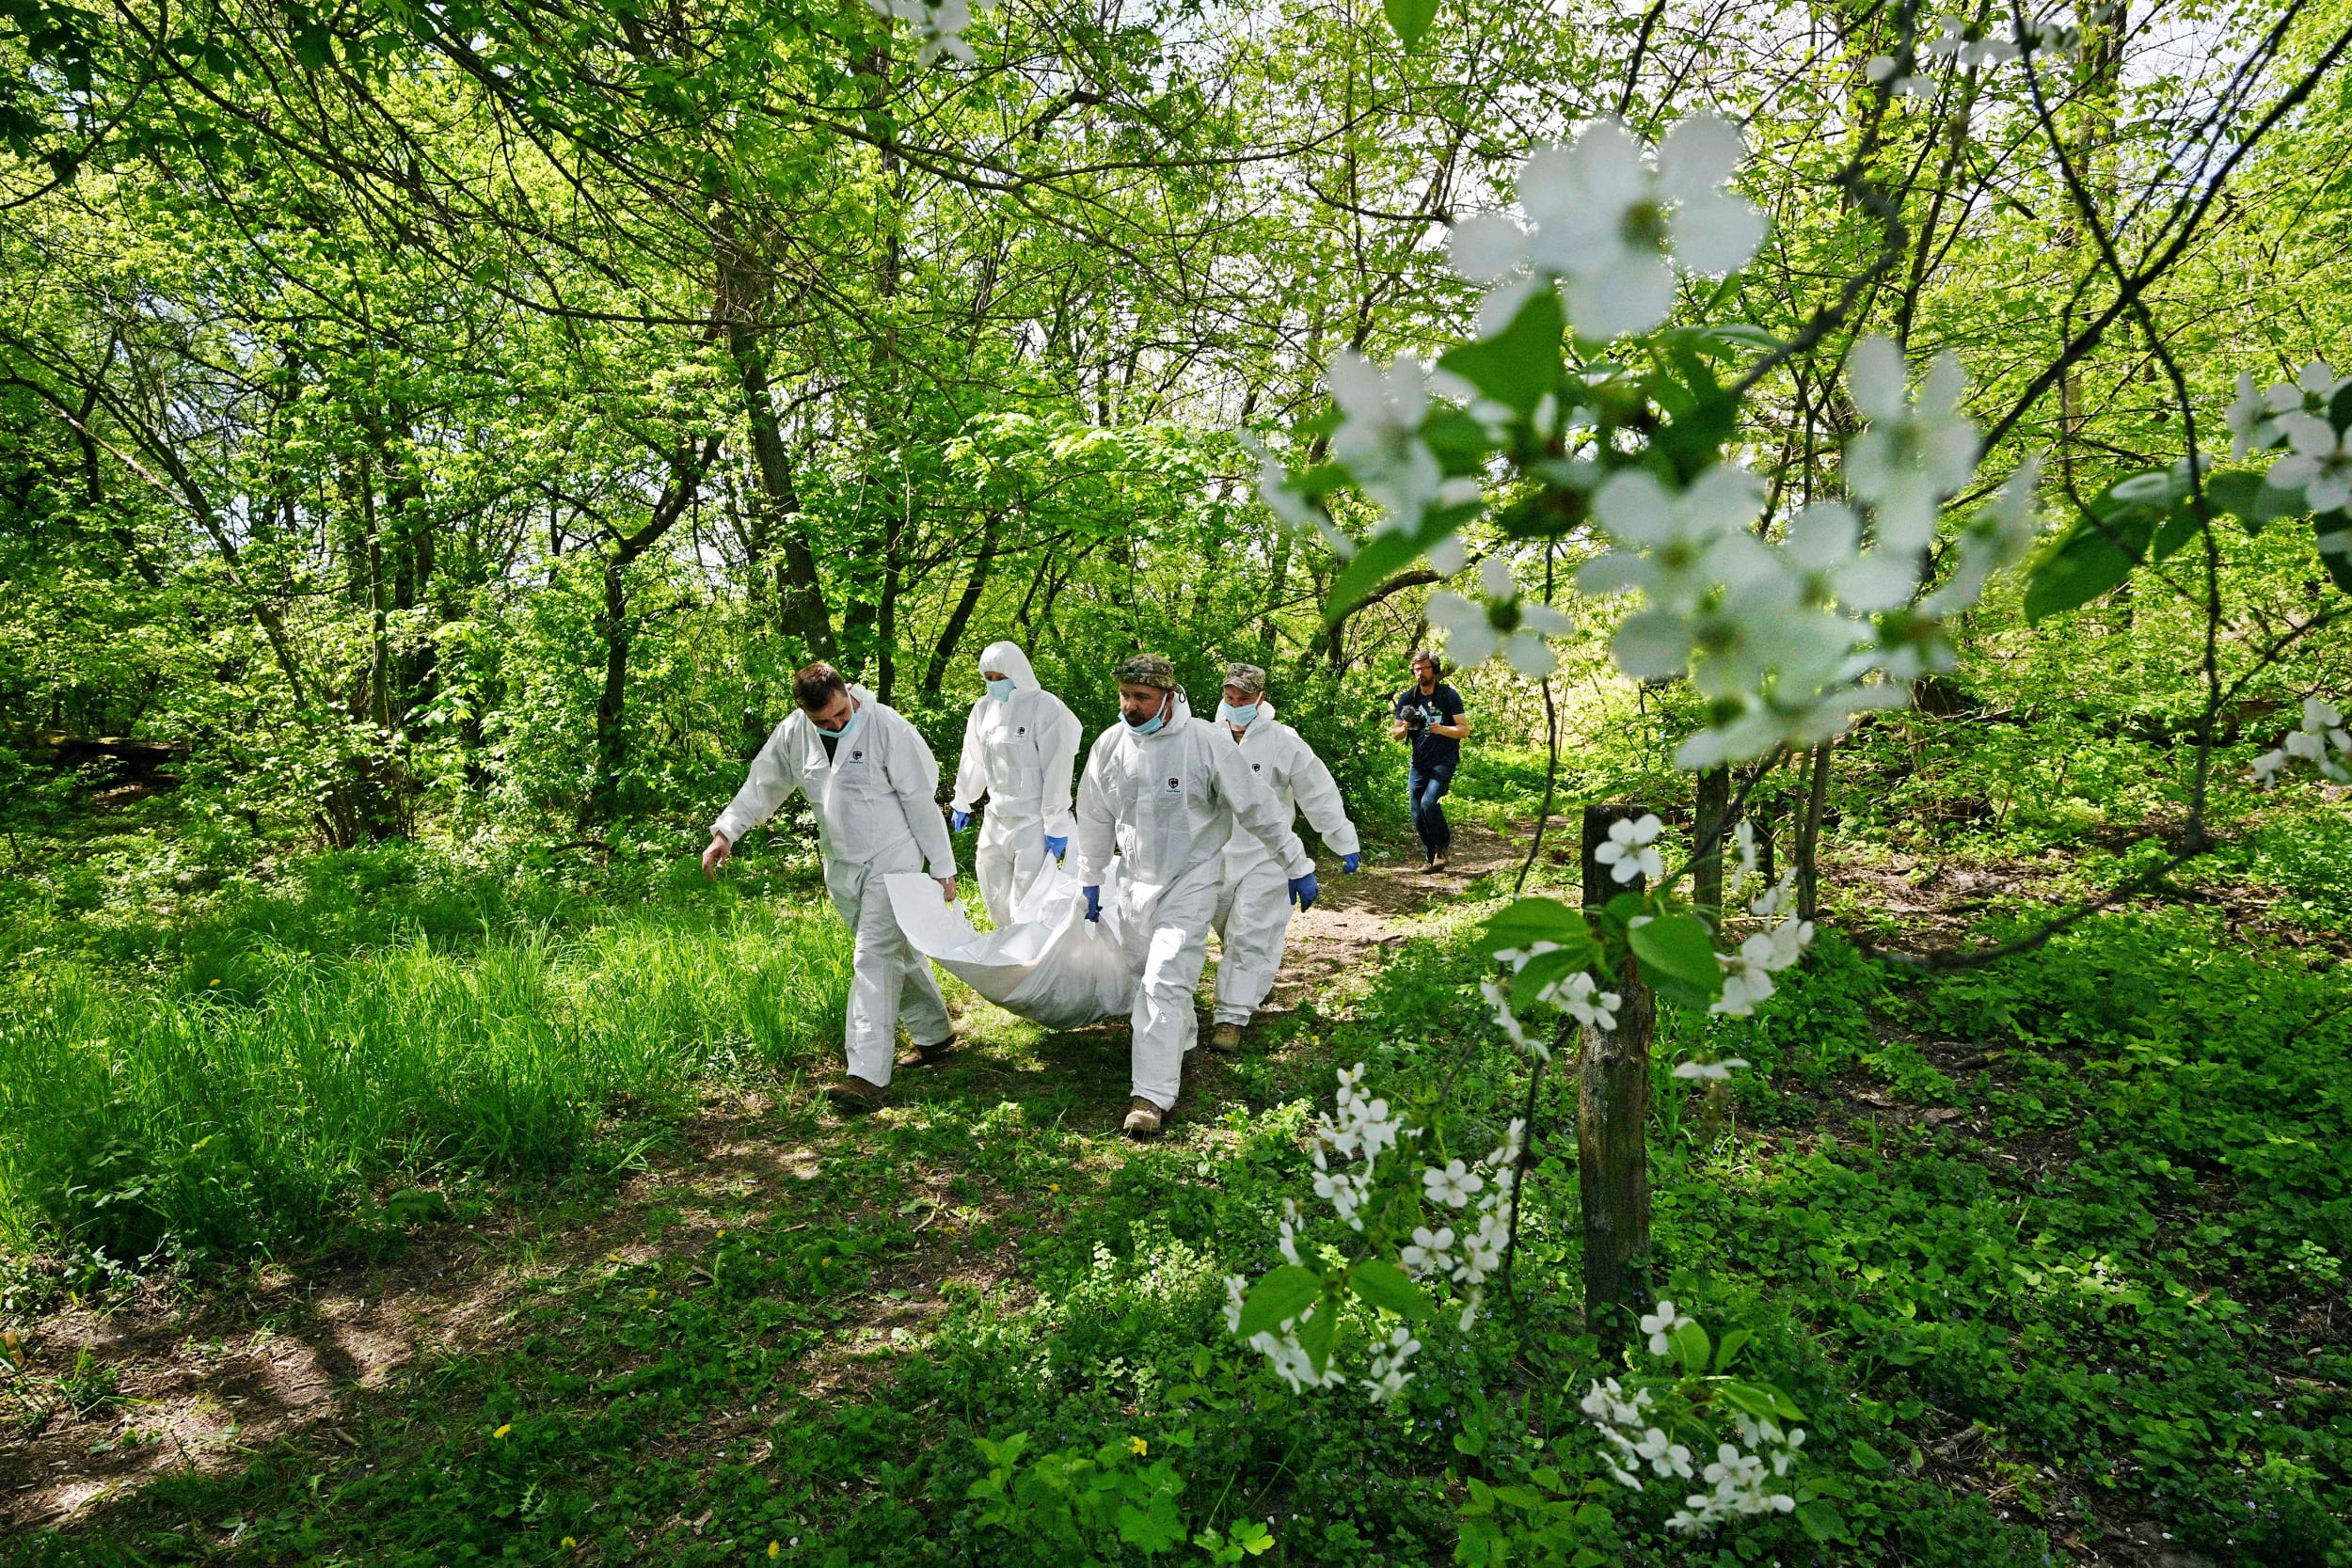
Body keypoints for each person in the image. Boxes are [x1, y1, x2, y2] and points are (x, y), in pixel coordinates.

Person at [1073, 653, 1317, 1139]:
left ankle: (1151, 1096)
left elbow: (1257, 807)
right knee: (1146, 975)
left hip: (1192, 880)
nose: (1131, 706)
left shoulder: (1205, 743)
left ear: (1169, 696)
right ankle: (1180, 1041)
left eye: (1142, 697)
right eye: (1125, 695)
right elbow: (1095, 817)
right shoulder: (1110, 746)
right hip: (1134, 882)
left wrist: (1296, 863)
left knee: (1166, 978)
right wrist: (1090, 877)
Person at [703, 661, 957, 1113]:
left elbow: (921, 798)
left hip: (893, 857)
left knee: (872, 956)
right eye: (825, 721)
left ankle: (866, 1077)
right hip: (840, 862)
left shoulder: (887, 727)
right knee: (891, 949)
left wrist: (942, 865)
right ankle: (935, 1034)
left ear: (847, 692)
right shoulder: (793, 733)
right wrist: (726, 833)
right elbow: (762, 785)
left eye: (842, 714)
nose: (837, 724)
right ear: (804, 711)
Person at [1208, 662, 1359, 1052]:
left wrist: (1343, 840)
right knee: (1229, 932)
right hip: (1215, 856)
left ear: (1261, 699)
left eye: (1244, 698)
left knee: (1249, 932)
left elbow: (1318, 792)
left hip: (1268, 857)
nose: (1236, 704)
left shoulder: (1283, 741)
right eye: (1230, 697)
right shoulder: (1205, 737)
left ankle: (1230, 1017)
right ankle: (1250, 983)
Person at [946, 641, 1083, 927]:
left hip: (1032, 822)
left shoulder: (1045, 707)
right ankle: (1009, 961)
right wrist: (963, 800)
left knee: (1028, 907)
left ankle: (1032, 966)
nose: (994, 684)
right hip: (996, 819)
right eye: (989, 678)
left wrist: (1056, 822)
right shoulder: (983, 710)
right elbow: (974, 758)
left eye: (1000, 677)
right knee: (995, 901)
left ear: (1017, 673)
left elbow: (1057, 769)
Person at [1391, 649, 1470, 871]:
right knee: (1416, 812)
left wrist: (1442, 729)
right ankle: (1431, 855)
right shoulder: (1409, 698)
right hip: (1419, 762)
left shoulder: (1448, 696)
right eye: (1417, 669)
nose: (1421, 673)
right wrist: (1405, 728)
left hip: (1443, 760)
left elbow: (1464, 730)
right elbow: (1395, 734)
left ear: (1434, 670)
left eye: (1425, 668)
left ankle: (1443, 847)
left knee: (1429, 803)